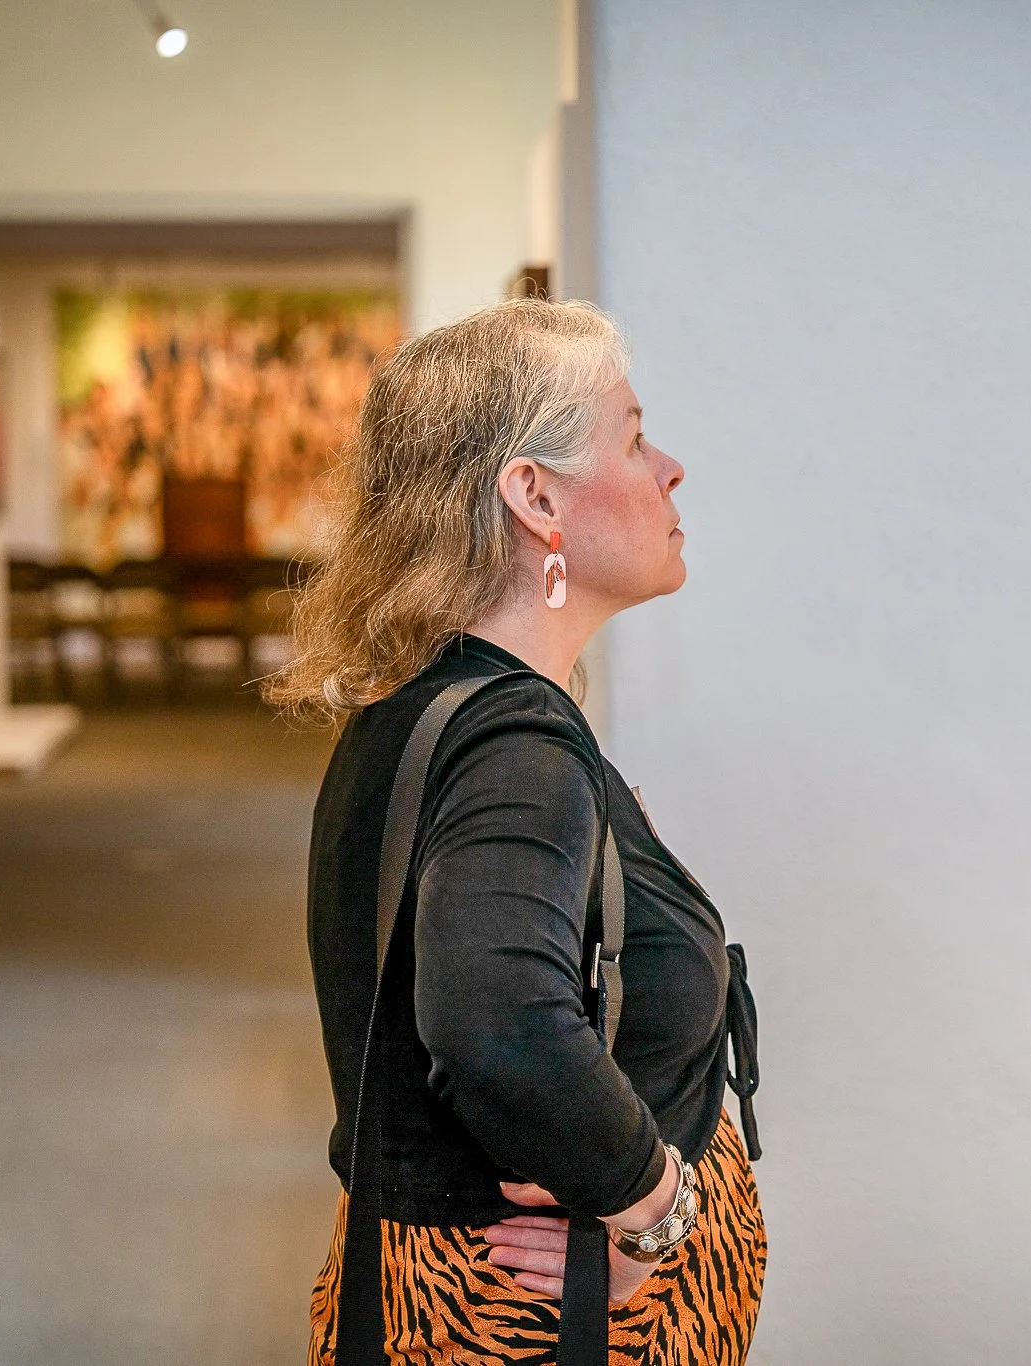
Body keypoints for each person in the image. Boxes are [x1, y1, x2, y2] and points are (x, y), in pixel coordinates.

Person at [271, 299, 766, 1366]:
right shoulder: (512, 742)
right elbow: (498, 1020)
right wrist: (655, 1208)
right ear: (534, 496)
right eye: (633, 438)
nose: (670, 469)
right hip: (535, 1321)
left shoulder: (430, 705)